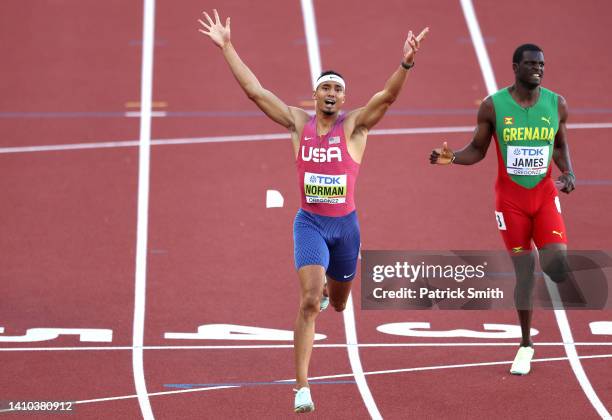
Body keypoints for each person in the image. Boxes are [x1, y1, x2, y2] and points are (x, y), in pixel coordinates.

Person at [199, 9, 428, 413]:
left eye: (337, 89)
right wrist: (228, 47)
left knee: (338, 304)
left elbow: (388, 96)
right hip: (310, 224)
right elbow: (256, 91)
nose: (331, 94)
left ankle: (329, 292)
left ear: (343, 98)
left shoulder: (355, 127)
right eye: (325, 87)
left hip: (346, 229)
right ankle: (302, 386)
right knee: (307, 301)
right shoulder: (297, 123)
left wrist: (406, 61)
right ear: (315, 93)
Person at [430, 44, 576, 375]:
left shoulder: (557, 104)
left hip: (544, 195)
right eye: (530, 64)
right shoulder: (493, 106)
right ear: (515, 67)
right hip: (510, 203)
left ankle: (551, 269)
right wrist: (452, 157)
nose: (537, 69)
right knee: (525, 271)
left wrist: (567, 171)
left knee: (556, 266)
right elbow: (478, 149)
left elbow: (561, 143)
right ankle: (526, 344)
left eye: (541, 64)